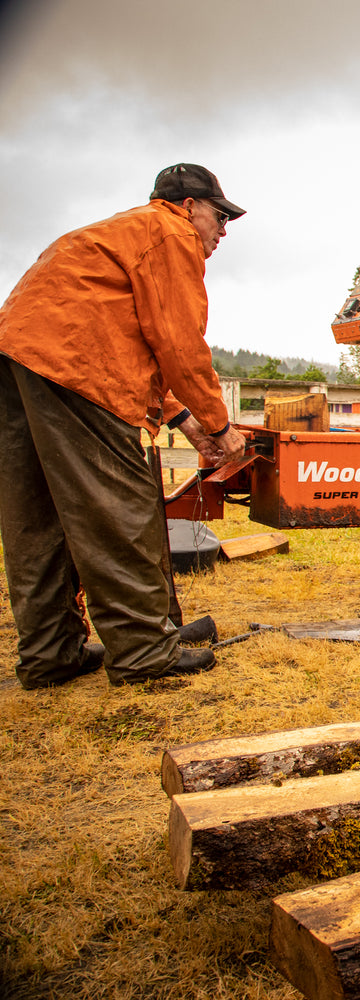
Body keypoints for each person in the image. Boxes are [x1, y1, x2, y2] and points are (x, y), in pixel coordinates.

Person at [0, 164, 248, 689]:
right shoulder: (170, 235)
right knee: (118, 509)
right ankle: (141, 651)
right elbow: (179, 342)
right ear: (187, 207)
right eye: (219, 216)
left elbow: (135, 338)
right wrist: (219, 425)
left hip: (20, 359)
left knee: (38, 515)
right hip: (78, 367)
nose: (223, 230)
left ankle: (51, 653)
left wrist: (184, 419)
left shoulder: (119, 233)